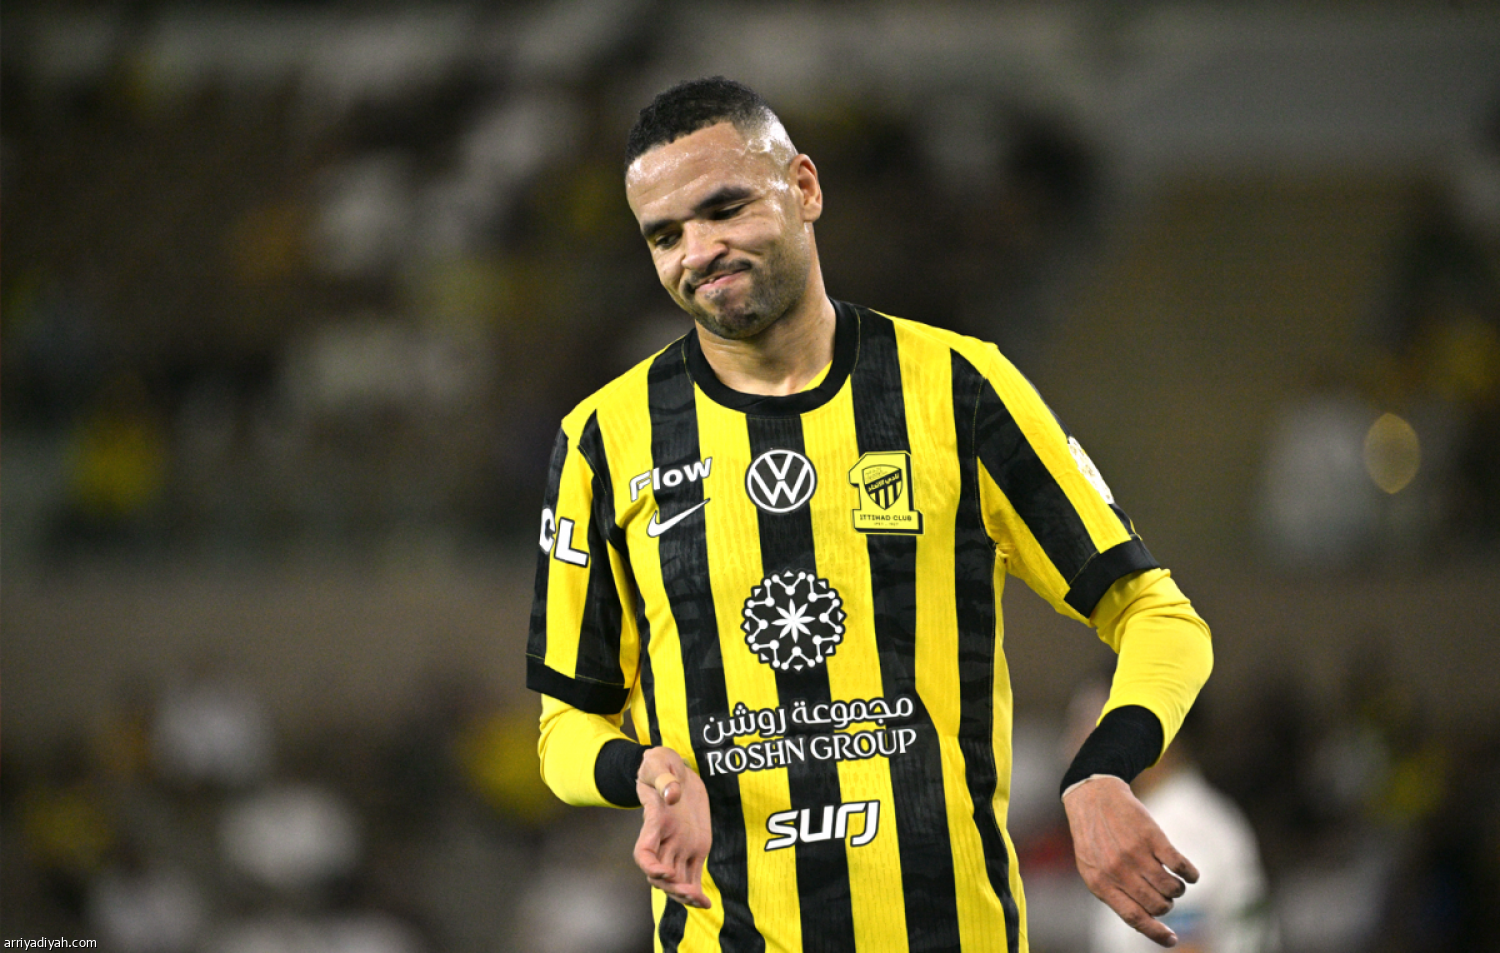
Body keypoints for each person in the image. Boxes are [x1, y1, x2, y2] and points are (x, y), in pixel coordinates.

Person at [526, 77, 1214, 953]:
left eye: (725, 208)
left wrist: (1103, 769)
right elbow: (564, 728)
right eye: (666, 235)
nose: (699, 250)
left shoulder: (959, 390)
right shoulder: (603, 440)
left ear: (805, 188)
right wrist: (642, 769)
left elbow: (1158, 615)